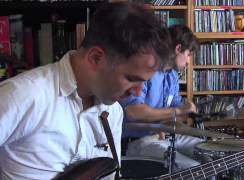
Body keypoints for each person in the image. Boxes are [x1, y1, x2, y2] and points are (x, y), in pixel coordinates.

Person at [0, 2, 173, 179]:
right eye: (131, 79)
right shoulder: (21, 95)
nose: (138, 93)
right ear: (96, 58)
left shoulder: (113, 113)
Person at [121, 24, 203, 170]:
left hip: (164, 136)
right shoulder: (146, 70)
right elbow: (133, 112)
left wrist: (190, 110)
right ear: (178, 49)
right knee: (194, 167)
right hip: (138, 141)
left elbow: (175, 108)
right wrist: (177, 111)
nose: (189, 61)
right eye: (189, 54)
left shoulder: (172, 75)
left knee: (207, 150)